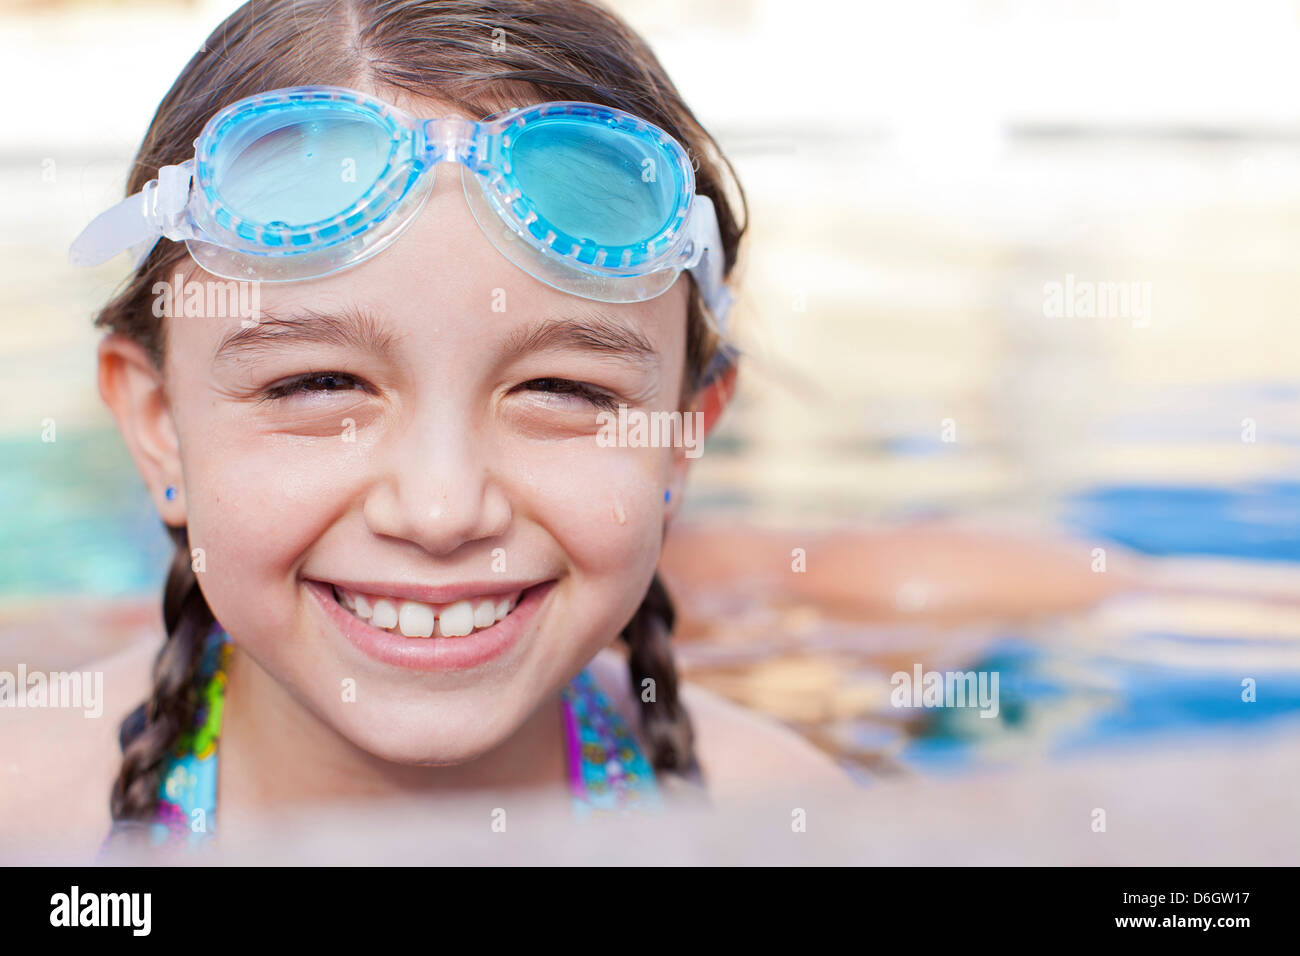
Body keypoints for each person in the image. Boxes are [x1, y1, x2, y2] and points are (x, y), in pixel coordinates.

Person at [0, 0, 852, 862]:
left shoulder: (791, 826)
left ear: (681, 440)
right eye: (319, 384)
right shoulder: (24, 817)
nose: (441, 512)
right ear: (159, 427)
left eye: (562, 389)